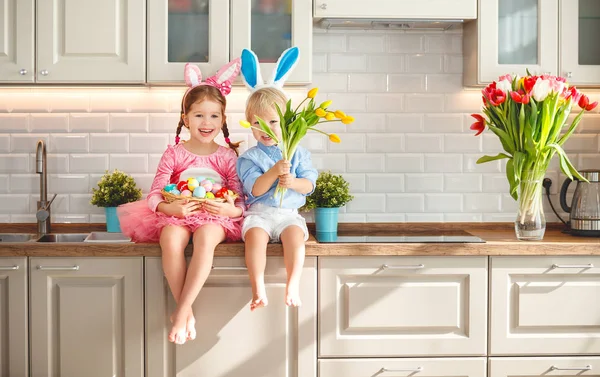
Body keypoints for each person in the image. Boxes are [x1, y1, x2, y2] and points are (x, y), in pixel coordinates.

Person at [117, 59, 245, 345]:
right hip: (177, 214)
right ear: (186, 118)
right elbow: (154, 194)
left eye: (214, 116)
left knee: (205, 238)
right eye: (199, 115)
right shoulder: (174, 154)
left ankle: (181, 312)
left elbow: (239, 199)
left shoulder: (226, 157)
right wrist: (168, 207)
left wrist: (229, 209)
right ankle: (185, 311)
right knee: (171, 239)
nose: (206, 123)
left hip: (216, 217)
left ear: (223, 120)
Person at [237, 47, 318, 311]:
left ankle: (292, 284)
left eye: (273, 122)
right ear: (249, 124)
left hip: (288, 214)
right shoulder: (249, 157)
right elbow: (256, 188)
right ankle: (257, 288)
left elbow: (309, 185)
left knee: (296, 237)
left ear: (287, 121)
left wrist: (292, 182)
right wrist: (273, 172)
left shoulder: (298, 153)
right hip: (259, 213)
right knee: (255, 239)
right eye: (257, 123)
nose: (266, 129)